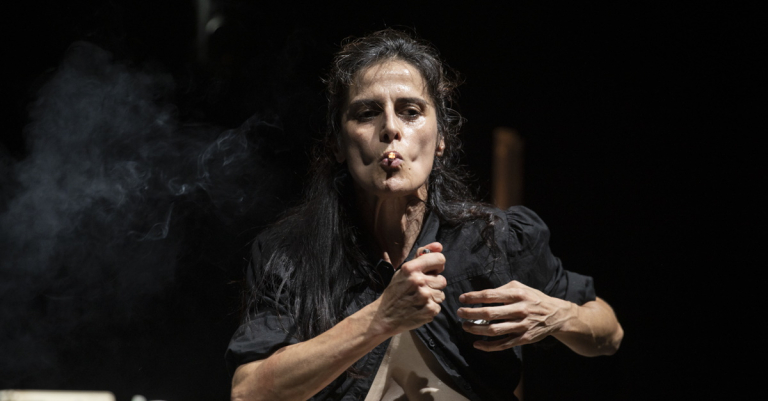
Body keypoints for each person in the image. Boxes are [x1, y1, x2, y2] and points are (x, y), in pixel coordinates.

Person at [227, 29, 623, 401]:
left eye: (410, 111)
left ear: (441, 139)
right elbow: (247, 392)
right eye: (366, 113)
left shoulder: (493, 239)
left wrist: (556, 315)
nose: (390, 129)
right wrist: (380, 319)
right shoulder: (292, 256)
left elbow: (609, 333)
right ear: (337, 144)